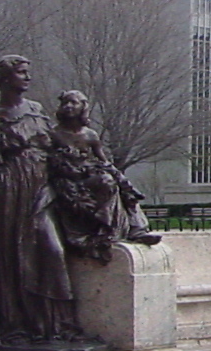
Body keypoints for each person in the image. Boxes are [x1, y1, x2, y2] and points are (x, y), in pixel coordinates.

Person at [0, 55, 90, 351]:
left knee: (51, 250)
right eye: (21, 73)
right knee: (8, 258)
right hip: (3, 192)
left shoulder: (37, 111)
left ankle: (54, 326)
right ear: (5, 79)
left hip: (39, 188)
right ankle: (14, 327)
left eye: (27, 73)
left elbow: (56, 147)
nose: (27, 78)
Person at [48, 90, 160, 263]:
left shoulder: (90, 135)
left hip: (90, 177)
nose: (68, 106)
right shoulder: (54, 134)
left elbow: (104, 161)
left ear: (83, 108)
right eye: (65, 103)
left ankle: (136, 229)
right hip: (68, 182)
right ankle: (105, 231)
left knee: (116, 185)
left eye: (73, 102)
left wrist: (122, 181)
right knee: (106, 183)